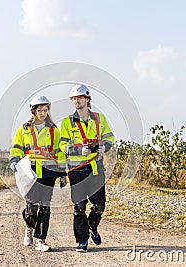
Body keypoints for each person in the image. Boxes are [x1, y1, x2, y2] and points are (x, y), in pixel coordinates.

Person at [59, 85, 114, 252]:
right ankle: (82, 241)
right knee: (79, 207)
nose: (76, 101)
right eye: (74, 98)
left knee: (99, 206)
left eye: (80, 98)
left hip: (96, 168)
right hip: (76, 169)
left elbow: (109, 138)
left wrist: (105, 146)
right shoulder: (68, 122)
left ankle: (91, 225)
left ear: (87, 99)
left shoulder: (99, 119)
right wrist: (77, 150)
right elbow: (63, 145)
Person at [9, 95, 65, 252]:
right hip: (30, 172)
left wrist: (62, 173)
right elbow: (17, 147)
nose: (43, 113)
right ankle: (29, 227)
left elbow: (58, 152)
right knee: (32, 207)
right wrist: (14, 160)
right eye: (40, 110)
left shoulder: (53, 130)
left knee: (45, 207)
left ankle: (41, 240)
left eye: (46, 110)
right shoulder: (24, 129)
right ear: (33, 111)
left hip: (48, 172)